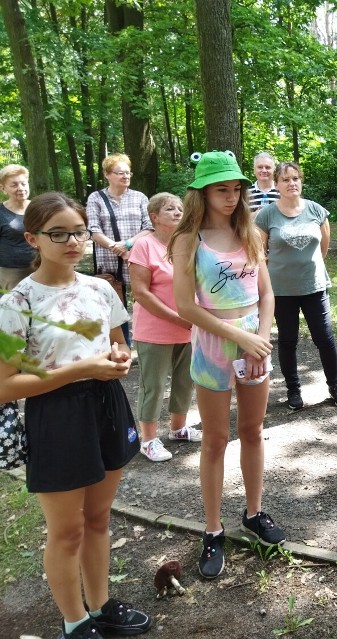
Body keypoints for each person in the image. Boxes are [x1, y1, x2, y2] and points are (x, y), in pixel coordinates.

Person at [0, 192, 150, 639]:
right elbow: (5, 384)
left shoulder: (102, 288)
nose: (72, 242)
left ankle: (100, 605)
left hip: (106, 404)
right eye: (58, 233)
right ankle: (74, 621)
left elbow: (120, 343)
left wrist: (122, 358)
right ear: (33, 239)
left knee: (99, 518)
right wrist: (80, 369)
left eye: (79, 232)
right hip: (56, 415)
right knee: (66, 531)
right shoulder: (17, 303)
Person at [168, 151, 286, 579]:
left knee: (253, 431)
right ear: (201, 191)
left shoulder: (250, 231)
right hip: (215, 347)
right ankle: (213, 530)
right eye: (222, 189)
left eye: (236, 188)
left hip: (254, 343)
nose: (232, 196)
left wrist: (262, 338)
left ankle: (254, 513)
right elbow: (186, 306)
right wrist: (239, 337)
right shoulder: (188, 240)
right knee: (216, 439)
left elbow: (267, 293)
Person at [255, 161, 337, 410]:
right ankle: (293, 391)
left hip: (313, 287)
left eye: (295, 178)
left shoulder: (317, 210)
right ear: (276, 184)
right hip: (281, 290)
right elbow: (259, 252)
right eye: (285, 179)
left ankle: (335, 386)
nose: (291, 183)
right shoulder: (266, 215)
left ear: (301, 181)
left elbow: (323, 246)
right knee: (287, 340)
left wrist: (309, 267)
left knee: (325, 339)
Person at [128, 193, 200, 462]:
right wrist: (179, 318)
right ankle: (148, 440)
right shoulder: (144, 246)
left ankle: (178, 428)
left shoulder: (188, 244)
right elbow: (141, 293)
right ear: (154, 217)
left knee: (186, 380)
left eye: (180, 208)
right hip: (155, 329)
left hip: (190, 326)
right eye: (170, 208)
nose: (177, 212)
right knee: (153, 386)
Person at [86, 152, 152, 345]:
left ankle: (145, 341)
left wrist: (128, 244)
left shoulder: (139, 197)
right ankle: (122, 345)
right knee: (115, 305)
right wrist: (117, 248)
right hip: (109, 262)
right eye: (120, 173)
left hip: (137, 259)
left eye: (128, 173)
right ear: (107, 174)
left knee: (143, 300)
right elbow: (93, 230)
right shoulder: (96, 198)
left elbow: (149, 227)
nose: (126, 176)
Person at [0, 164, 35, 290]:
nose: (21, 188)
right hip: (11, 274)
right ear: (3, 189)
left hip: (41, 270)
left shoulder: (39, 208)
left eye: (24, 183)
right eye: (14, 185)